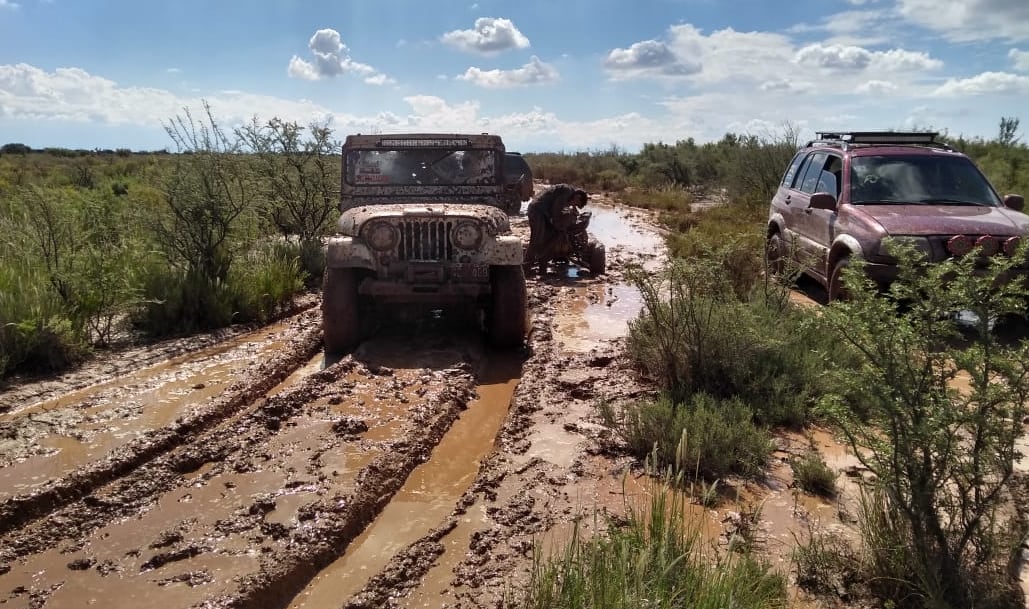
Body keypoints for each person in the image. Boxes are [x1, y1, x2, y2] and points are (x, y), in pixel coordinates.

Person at [524, 184, 589, 273]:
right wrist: (561, 225)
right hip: (538, 211)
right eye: (576, 204)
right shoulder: (566, 192)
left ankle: (542, 269)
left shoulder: (568, 193)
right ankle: (525, 268)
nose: (574, 205)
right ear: (577, 197)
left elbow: (559, 210)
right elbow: (556, 211)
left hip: (543, 212)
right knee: (536, 240)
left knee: (546, 239)